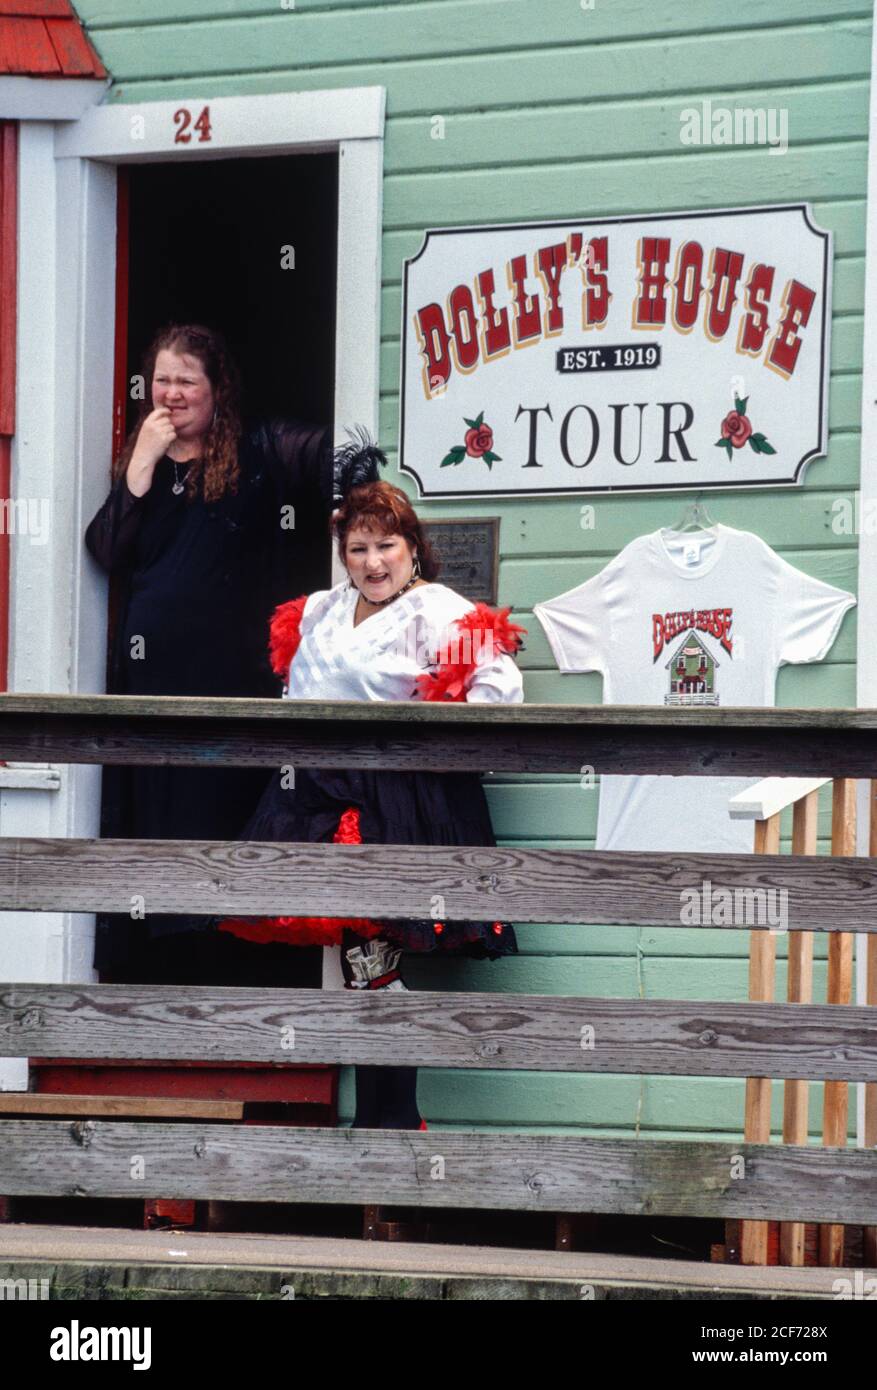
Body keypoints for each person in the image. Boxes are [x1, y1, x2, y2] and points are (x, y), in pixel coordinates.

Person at [212, 436, 527, 1130]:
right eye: (357, 548)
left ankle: (392, 1121)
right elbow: (296, 698)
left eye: (386, 546)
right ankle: (388, 1121)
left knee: (372, 958)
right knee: (363, 962)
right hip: (317, 797)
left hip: (394, 800)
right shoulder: (320, 611)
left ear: (412, 548)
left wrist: (432, 751)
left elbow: (497, 689)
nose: (372, 562)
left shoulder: (436, 609)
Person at [84, 322, 333, 988]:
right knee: (162, 826)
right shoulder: (143, 463)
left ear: (216, 388)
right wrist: (140, 464)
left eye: (186, 380)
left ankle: (236, 979)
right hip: (153, 681)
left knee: (227, 820)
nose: (171, 393)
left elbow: (329, 457)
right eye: (161, 380)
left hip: (232, 679)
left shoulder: (256, 450)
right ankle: (164, 980)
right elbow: (106, 551)